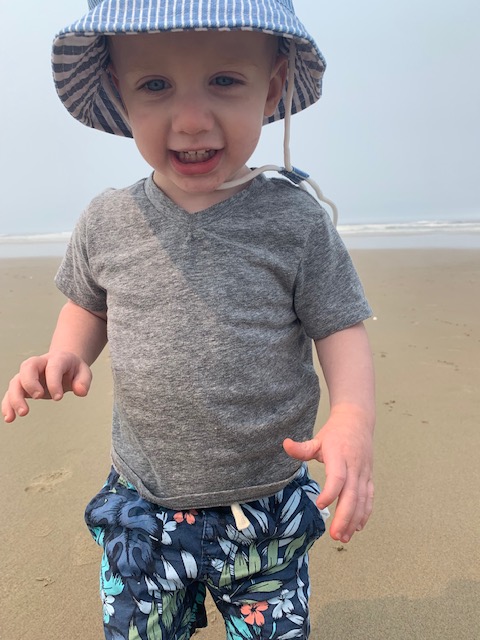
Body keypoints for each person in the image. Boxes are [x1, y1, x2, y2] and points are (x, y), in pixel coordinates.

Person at [2, 1, 375, 638]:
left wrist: (352, 418)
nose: (192, 119)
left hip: (266, 504)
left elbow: (339, 325)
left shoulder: (295, 222)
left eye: (225, 80)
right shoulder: (108, 219)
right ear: (120, 93)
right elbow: (89, 303)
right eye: (155, 85)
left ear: (273, 88)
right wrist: (67, 352)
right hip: (142, 504)